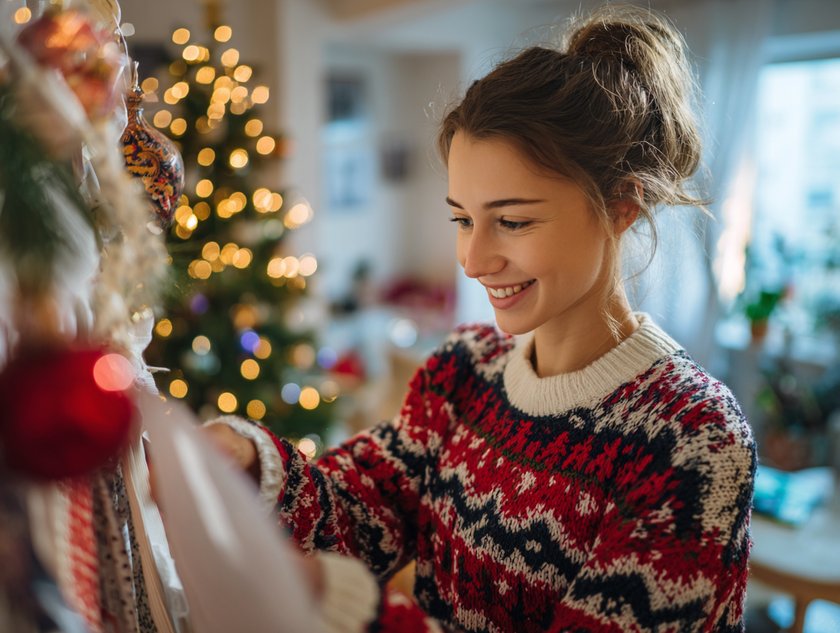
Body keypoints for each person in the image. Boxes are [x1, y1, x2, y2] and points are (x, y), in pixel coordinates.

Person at [204, 5, 756, 632]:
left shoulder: (691, 438)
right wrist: (247, 459)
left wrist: (345, 605)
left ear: (621, 206)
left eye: (513, 221)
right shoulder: (462, 370)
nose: (472, 259)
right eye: (462, 219)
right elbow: (359, 515)